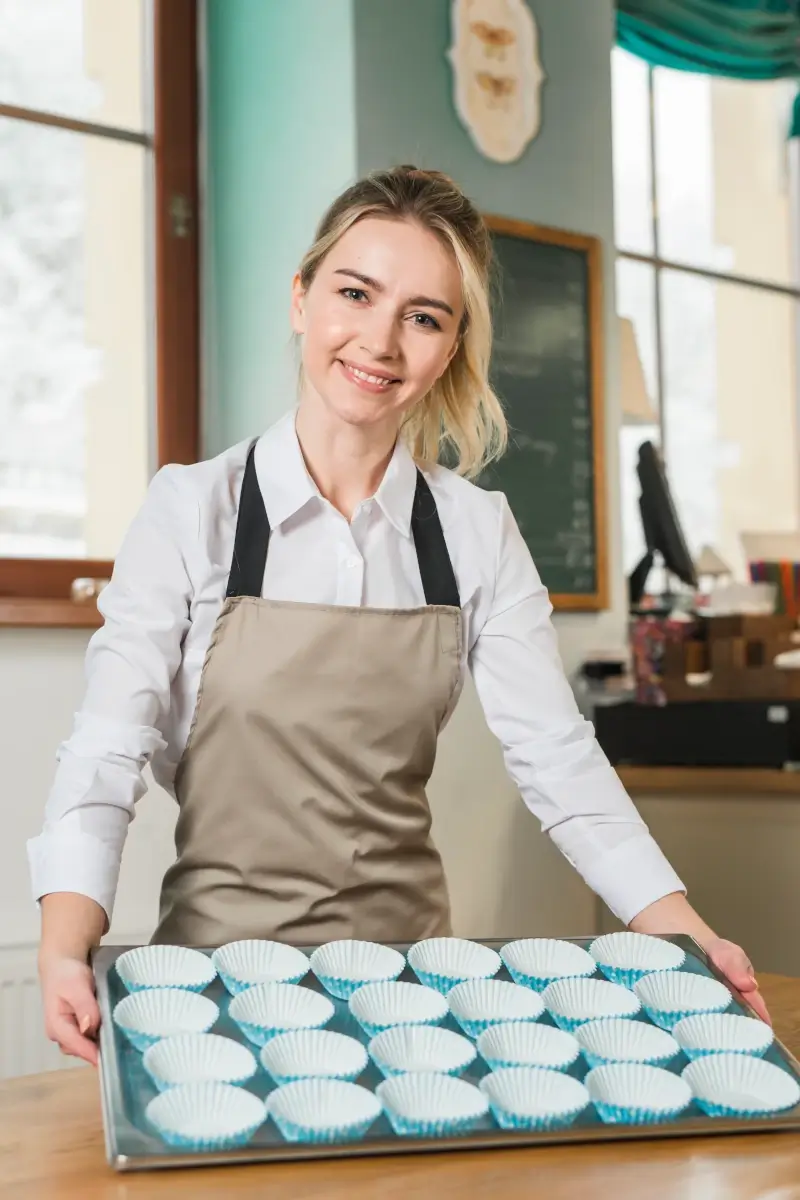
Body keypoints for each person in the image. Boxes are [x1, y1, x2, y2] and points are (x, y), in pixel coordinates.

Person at [29, 165, 769, 1066]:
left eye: (424, 316)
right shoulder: (191, 510)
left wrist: (690, 938)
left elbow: (559, 762)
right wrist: (64, 944)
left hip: (416, 995)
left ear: (451, 346)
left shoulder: (475, 531)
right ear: (302, 299)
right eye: (355, 293)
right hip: (215, 994)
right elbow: (106, 748)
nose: (379, 341)